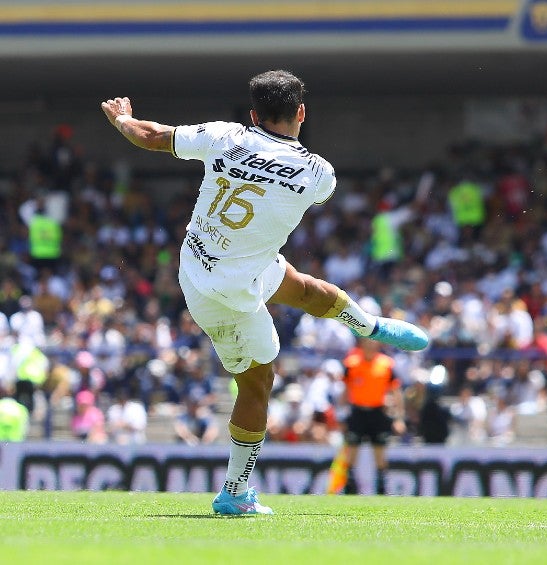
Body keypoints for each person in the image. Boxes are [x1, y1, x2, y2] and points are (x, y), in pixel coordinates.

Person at [100, 70, 429, 515]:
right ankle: (234, 492)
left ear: (253, 113)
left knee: (307, 288)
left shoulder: (224, 135)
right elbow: (303, 194)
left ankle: (369, 326)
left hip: (205, 262)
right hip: (224, 294)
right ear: (302, 113)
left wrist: (122, 120)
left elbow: (152, 135)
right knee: (257, 385)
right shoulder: (319, 173)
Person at [341, 338, 405, 495]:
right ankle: (350, 486)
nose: (370, 346)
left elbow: (396, 392)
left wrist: (399, 418)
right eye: (367, 344)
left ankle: (382, 487)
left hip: (378, 412)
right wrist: (341, 413)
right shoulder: (351, 363)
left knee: (380, 451)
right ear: (361, 345)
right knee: (351, 450)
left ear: (378, 345)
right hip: (357, 411)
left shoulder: (386, 364)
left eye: (373, 344)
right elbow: (345, 390)